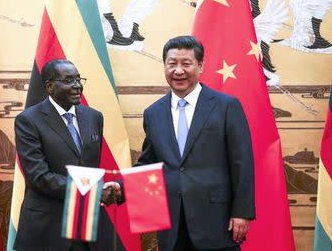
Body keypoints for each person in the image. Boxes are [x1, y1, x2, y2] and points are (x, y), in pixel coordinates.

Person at [121, 35, 256, 251]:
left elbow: (242, 162)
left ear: (200, 66)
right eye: (172, 63)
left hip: (217, 222)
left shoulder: (226, 106)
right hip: (172, 224)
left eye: (186, 63)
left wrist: (242, 212)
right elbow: (148, 164)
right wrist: (119, 187)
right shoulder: (153, 113)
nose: (178, 70)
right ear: (164, 66)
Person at [14, 59, 118, 251]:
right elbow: (39, 177)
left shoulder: (94, 117)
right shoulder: (28, 121)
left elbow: (90, 167)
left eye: (79, 79)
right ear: (50, 87)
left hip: (88, 227)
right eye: (69, 80)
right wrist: (94, 190)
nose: (77, 86)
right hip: (48, 228)